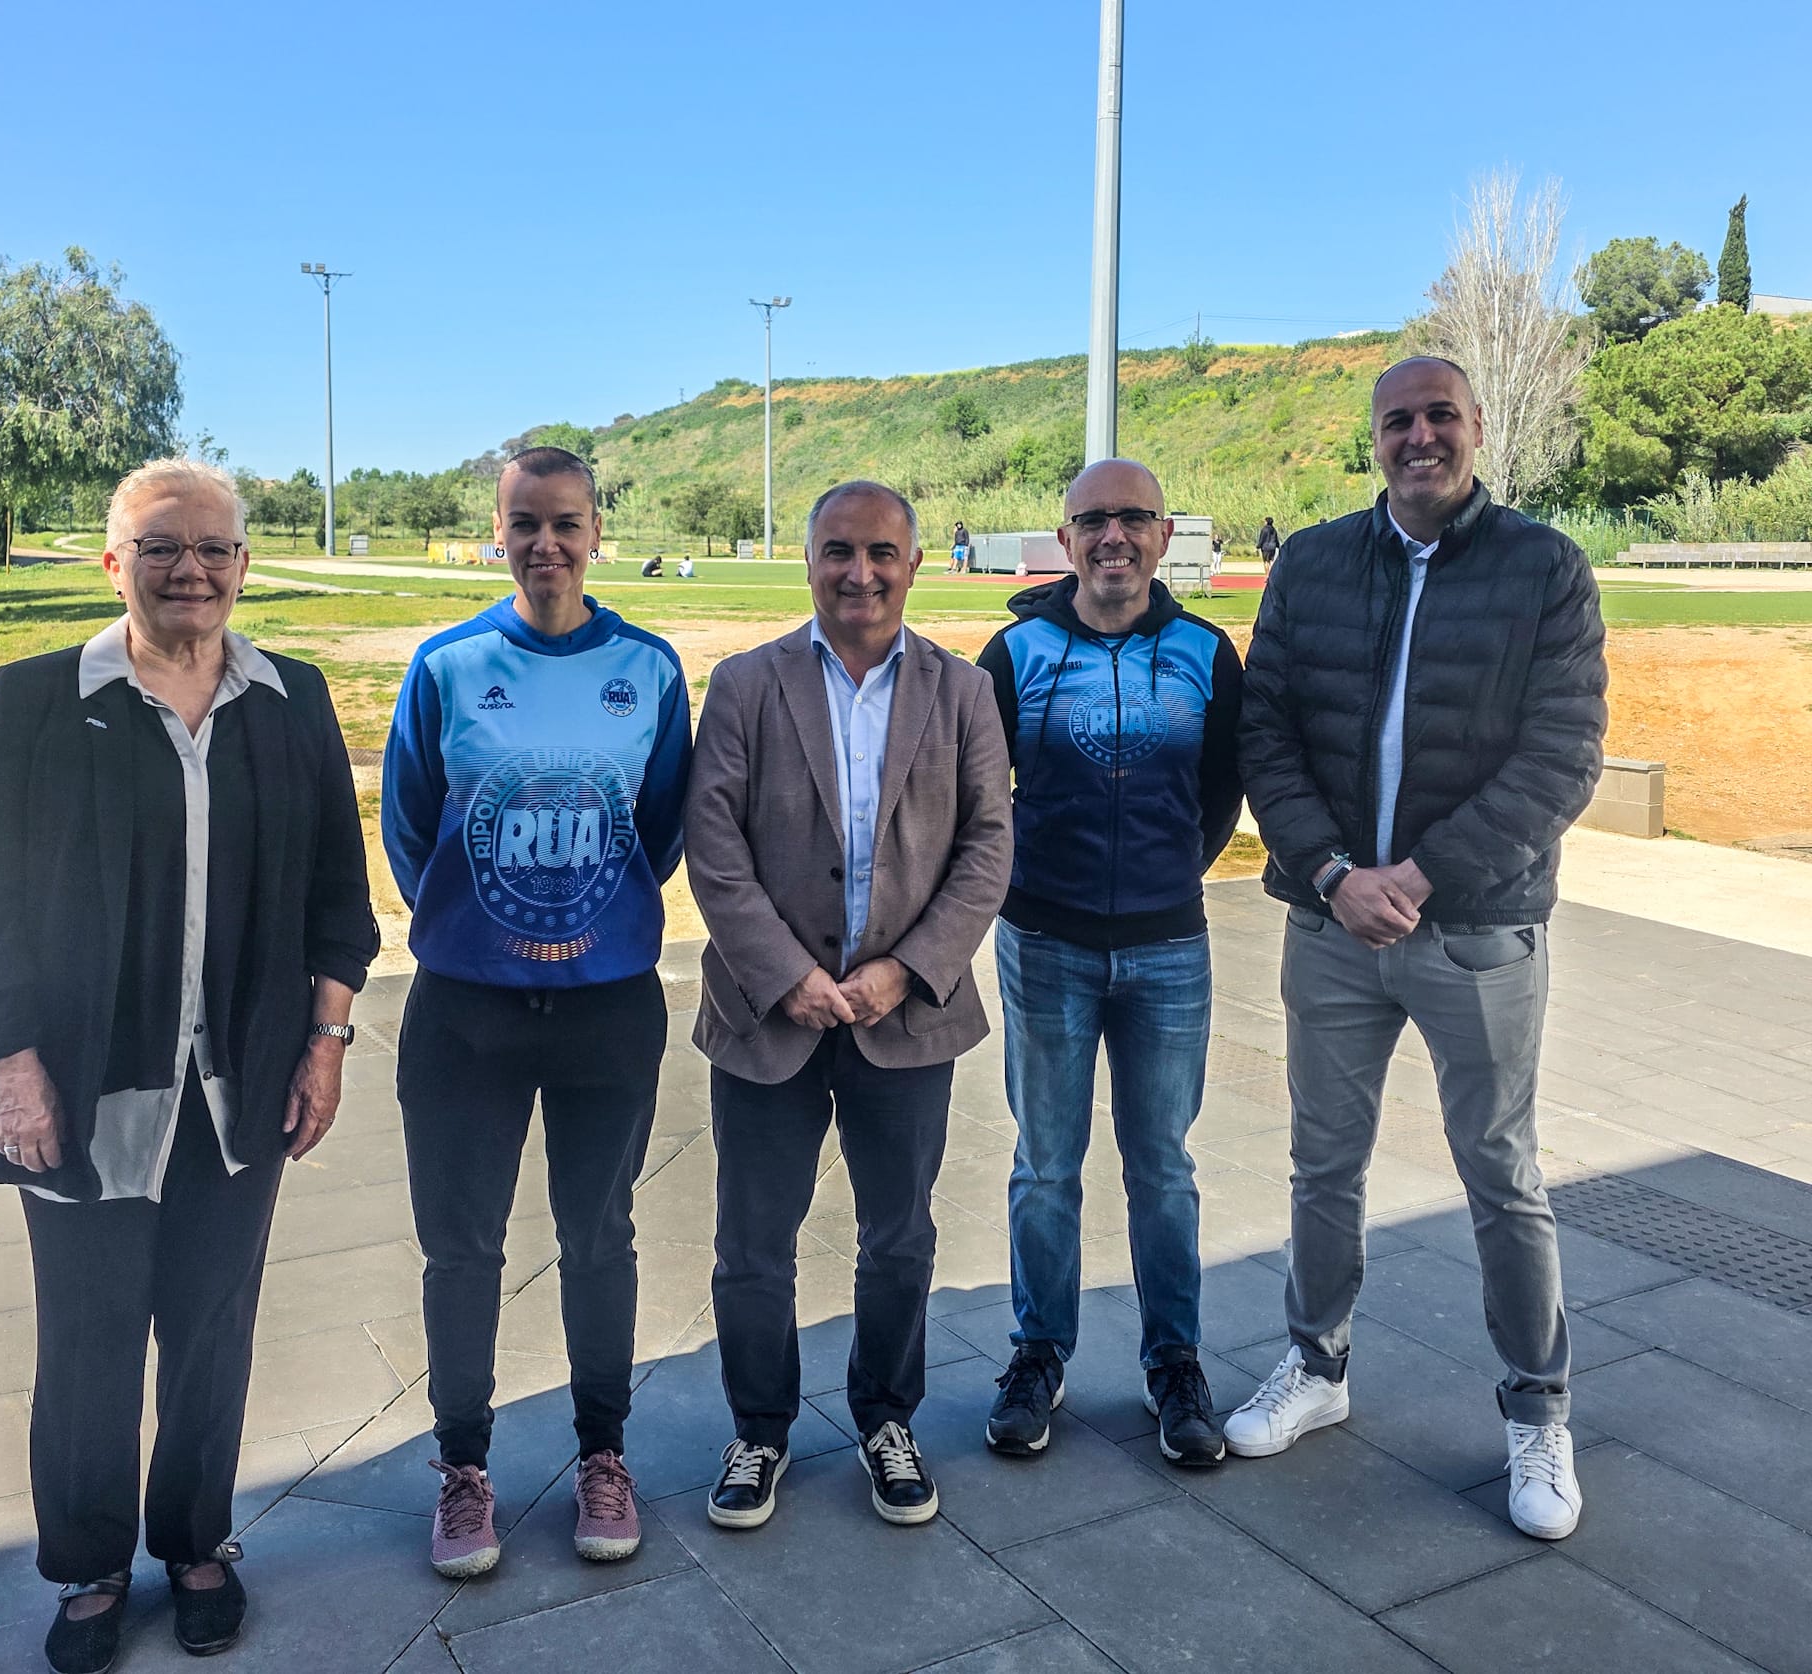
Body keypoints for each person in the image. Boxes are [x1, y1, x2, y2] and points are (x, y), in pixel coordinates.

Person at [0, 458, 379, 1674]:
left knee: (210, 1328)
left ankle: (195, 1546)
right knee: (85, 1333)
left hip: (240, 1081)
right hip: (81, 1084)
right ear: (114, 562)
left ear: (244, 564)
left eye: (214, 549)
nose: (191, 570)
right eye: (163, 549)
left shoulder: (290, 699)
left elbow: (340, 901)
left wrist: (327, 1042)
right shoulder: (38, 698)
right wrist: (10, 1067)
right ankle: (87, 1566)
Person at [1230, 357, 1608, 1541]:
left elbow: (1561, 754)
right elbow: (1266, 732)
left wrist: (1423, 873)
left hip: (1478, 930)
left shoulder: (1541, 567)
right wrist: (1337, 875)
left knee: (1500, 1176)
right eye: (1397, 420)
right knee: (1319, 1167)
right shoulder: (1312, 562)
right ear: (1374, 439)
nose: (1418, 436)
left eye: (1439, 415)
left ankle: (1535, 1409)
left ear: (1474, 428)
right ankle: (1317, 1365)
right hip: (1332, 923)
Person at [381, 446, 692, 1580]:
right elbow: (411, 830)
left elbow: (658, 832)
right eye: (524, 523)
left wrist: (580, 925)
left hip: (606, 1004)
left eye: (565, 523)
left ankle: (601, 1455)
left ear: (596, 530)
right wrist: (485, 932)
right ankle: (463, 1469)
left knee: (596, 1238)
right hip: (465, 1009)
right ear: (497, 531)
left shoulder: (648, 668)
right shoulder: (449, 664)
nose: (545, 544)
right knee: (459, 1248)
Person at [685, 480, 1012, 1531]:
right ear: (808, 560)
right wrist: (787, 974)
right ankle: (759, 1428)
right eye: (837, 551)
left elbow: (985, 849)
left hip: (904, 1018)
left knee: (898, 1239)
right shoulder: (743, 684)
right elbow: (714, 845)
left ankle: (885, 1416)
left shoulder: (961, 694)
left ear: (914, 565)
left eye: (880, 553)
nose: (858, 573)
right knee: (750, 1243)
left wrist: (903, 971)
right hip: (765, 1014)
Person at [974, 460, 1243, 1467]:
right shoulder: (1016, 651)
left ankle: (1173, 1363)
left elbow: (1220, 793)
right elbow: (976, 793)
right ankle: (1037, 1353)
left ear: (1163, 534)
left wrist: (1168, 877)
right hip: (1043, 944)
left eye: (1132, 518)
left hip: (1168, 949)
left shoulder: (1205, 654)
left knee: (1162, 1168)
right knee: (1044, 1165)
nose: (1112, 537)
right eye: (1092, 520)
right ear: (1066, 537)